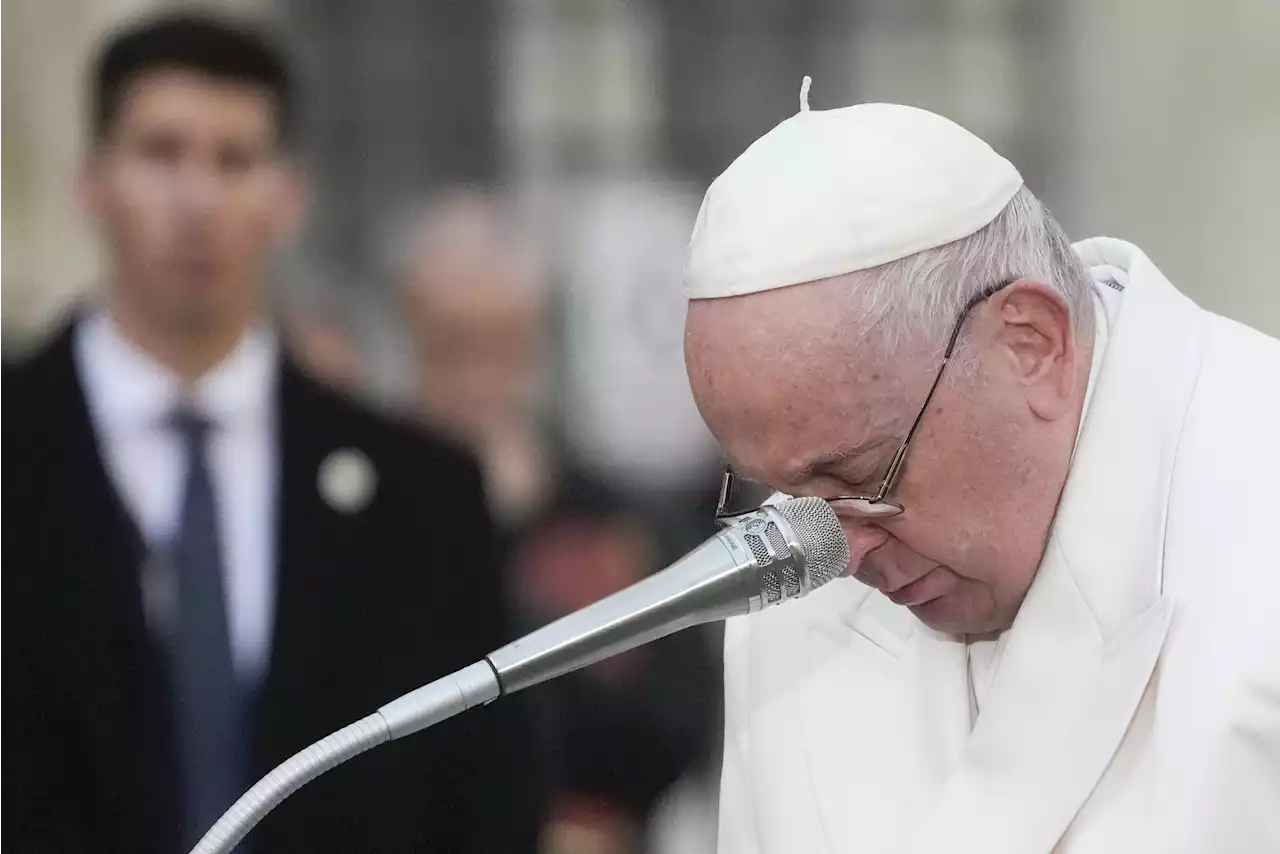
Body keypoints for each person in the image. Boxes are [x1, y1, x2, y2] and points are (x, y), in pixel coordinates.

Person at [680, 84, 1280, 853]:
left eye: (865, 479)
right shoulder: (796, 581)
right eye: (783, 494)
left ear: (1030, 344)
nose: (835, 553)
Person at [0, 12, 538, 853]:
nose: (199, 199)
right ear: (91, 183)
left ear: (289, 196)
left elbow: (485, 797)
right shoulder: (23, 444)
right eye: (162, 152)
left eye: (235, 159)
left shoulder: (423, 498)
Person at [396, 190, 718, 853]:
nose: (479, 379)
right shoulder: (370, 508)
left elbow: (679, 705)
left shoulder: (601, 513)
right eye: (453, 347)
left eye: (501, 346)